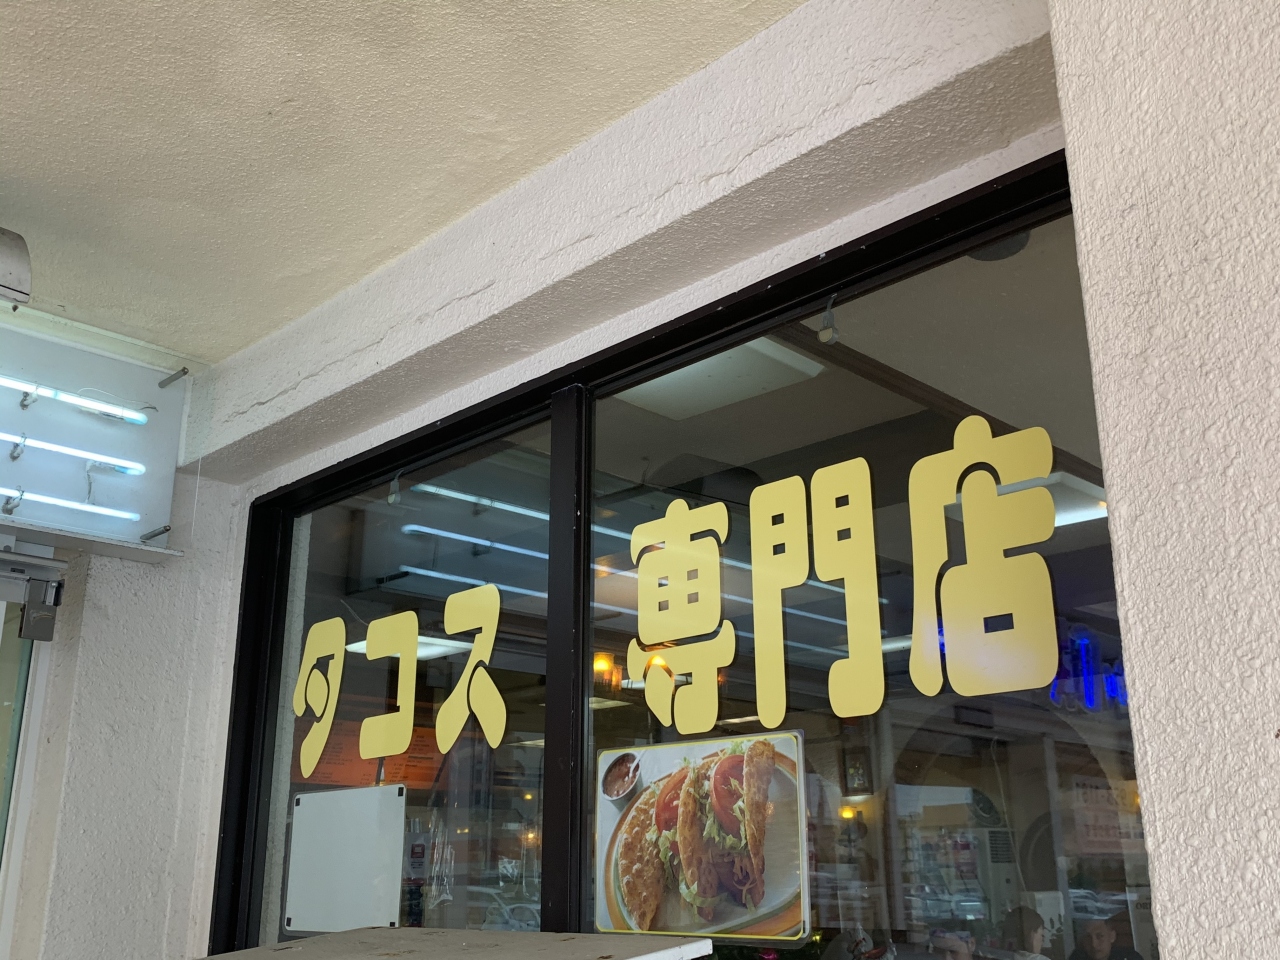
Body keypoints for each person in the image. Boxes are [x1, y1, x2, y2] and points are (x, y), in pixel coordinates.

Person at [1069, 918, 1144, 960]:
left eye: (1100, 936)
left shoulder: (1130, 957)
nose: (1094, 944)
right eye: (1088, 937)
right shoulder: (1077, 957)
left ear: (1112, 936)